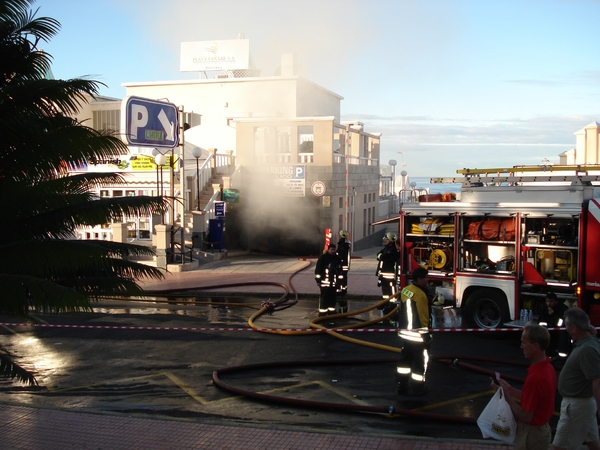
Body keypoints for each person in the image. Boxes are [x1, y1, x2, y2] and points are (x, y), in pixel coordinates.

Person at [491, 324, 556, 450]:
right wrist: (511, 390)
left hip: (531, 435)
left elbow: (526, 416)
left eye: (524, 343)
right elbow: (536, 399)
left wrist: (506, 395)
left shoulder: (535, 378)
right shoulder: (548, 368)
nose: (521, 347)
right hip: (541, 431)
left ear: (535, 346)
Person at [551, 308, 600, 450]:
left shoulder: (587, 349)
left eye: (566, 326)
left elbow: (597, 381)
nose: (565, 329)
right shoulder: (588, 343)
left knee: (560, 446)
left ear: (573, 328)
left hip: (577, 406)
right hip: (582, 405)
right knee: (592, 442)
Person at [396, 267, 432, 396]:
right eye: (426, 278)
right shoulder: (421, 295)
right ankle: (418, 388)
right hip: (417, 334)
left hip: (405, 332)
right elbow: (423, 317)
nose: (428, 280)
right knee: (419, 361)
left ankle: (402, 384)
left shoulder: (406, 290)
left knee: (405, 359)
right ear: (419, 279)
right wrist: (426, 335)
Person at [315, 244, 343, 317]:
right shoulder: (323, 258)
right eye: (331, 249)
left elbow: (340, 270)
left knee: (333, 297)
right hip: (324, 283)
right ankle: (322, 312)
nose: (333, 251)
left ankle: (331, 310)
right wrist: (318, 280)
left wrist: (339, 282)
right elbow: (318, 270)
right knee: (324, 297)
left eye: (334, 249)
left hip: (333, 283)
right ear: (328, 249)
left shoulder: (337, 258)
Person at [537, 292, 569, 357]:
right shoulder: (543, 307)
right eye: (547, 301)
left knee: (562, 335)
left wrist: (553, 315)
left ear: (556, 301)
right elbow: (541, 321)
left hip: (559, 330)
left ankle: (561, 356)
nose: (548, 304)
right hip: (548, 328)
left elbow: (561, 324)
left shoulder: (563, 309)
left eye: (551, 301)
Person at [376, 232, 400, 317]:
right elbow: (378, 255)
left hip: (389, 274)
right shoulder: (387, 248)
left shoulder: (392, 250)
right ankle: (385, 303)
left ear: (391, 240)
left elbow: (382, 257)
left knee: (391, 291)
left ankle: (392, 306)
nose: (386, 240)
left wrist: (380, 256)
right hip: (384, 274)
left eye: (387, 239)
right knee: (385, 291)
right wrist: (380, 256)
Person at [336, 230, 352, 313]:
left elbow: (340, 255)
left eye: (339, 235)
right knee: (342, 277)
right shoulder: (345, 244)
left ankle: (341, 290)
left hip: (343, 264)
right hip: (344, 264)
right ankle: (342, 289)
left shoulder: (343, 245)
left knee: (341, 277)